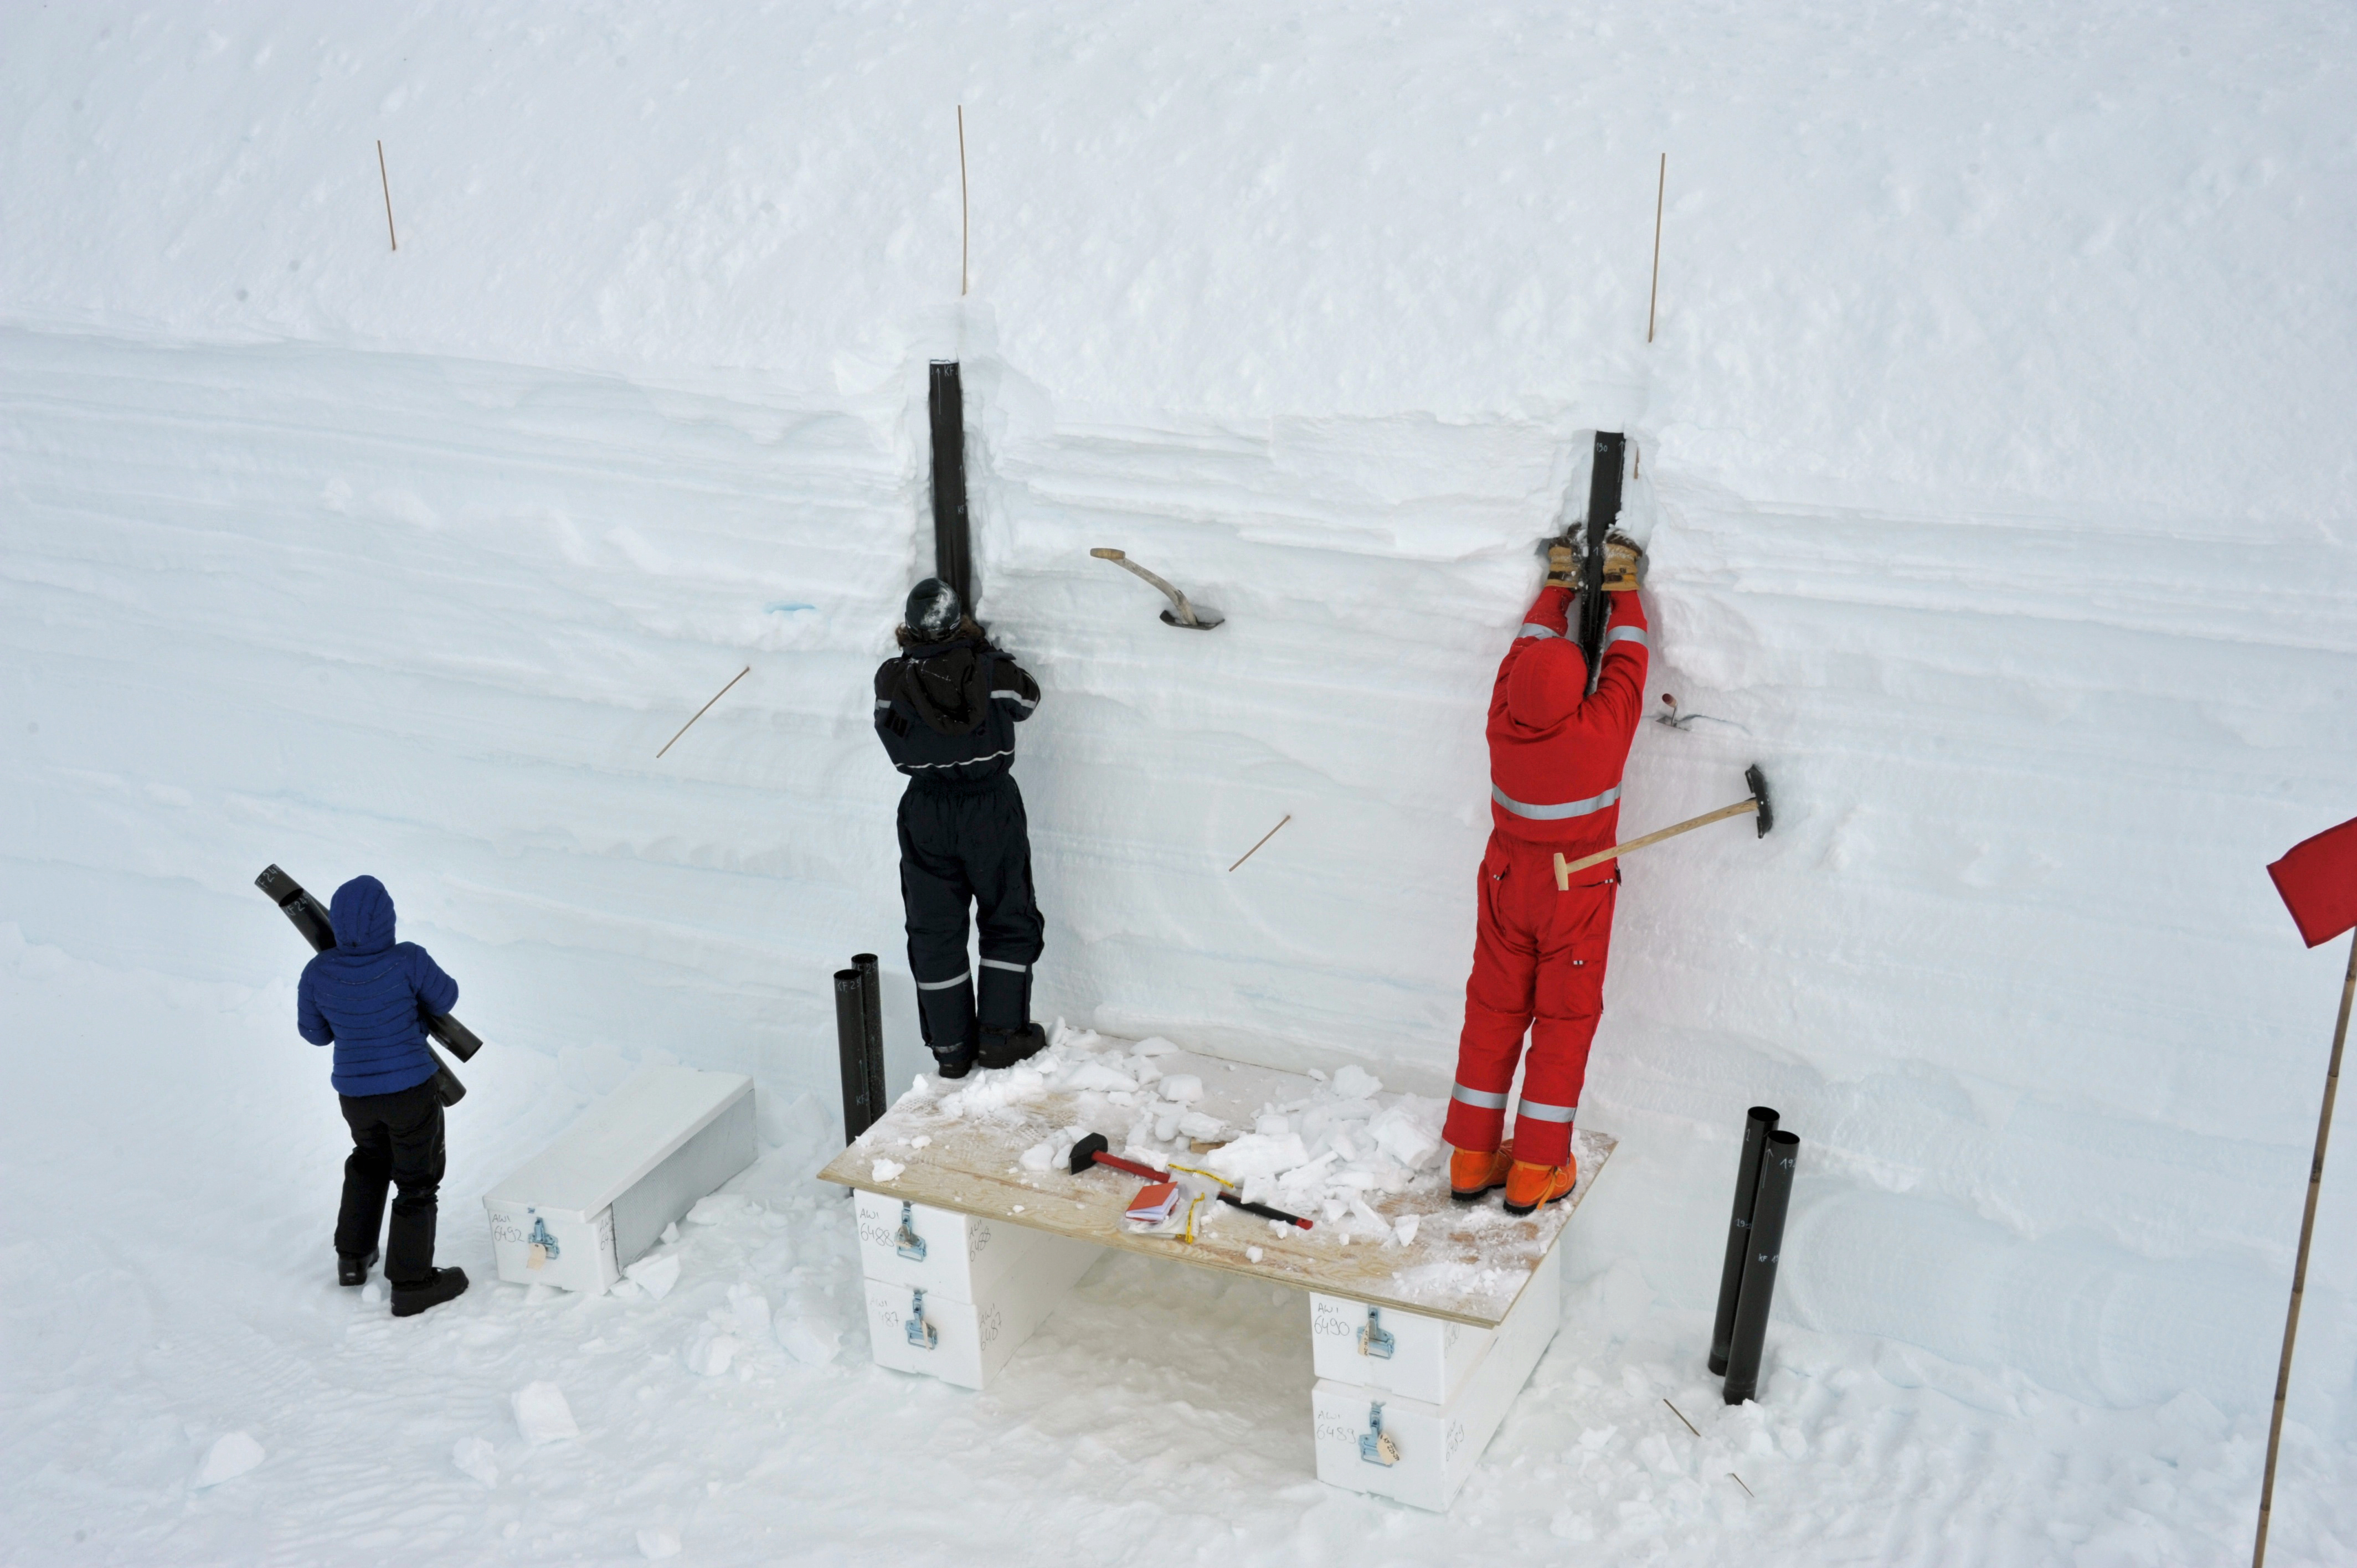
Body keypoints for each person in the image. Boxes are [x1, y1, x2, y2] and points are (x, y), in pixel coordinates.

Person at [1443, 536, 1648, 1215]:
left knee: (1493, 1014)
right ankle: (1534, 1169)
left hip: (1507, 885)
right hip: (1574, 891)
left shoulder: (1502, 724)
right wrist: (1621, 592)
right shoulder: (1600, 733)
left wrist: (1557, 588)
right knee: (1561, 1023)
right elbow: (1628, 662)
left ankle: (1472, 1157)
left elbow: (1518, 657)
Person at [873, 579, 1048, 1079]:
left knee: (935, 932)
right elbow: (1029, 700)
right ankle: (1000, 1037)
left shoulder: (891, 680)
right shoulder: (994, 673)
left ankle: (951, 1049)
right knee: (1008, 917)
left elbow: (888, 731)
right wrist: (985, 653)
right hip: (989, 806)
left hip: (925, 811)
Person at [297, 874, 470, 1316]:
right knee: (416, 1181)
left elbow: (314, 1035)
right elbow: (446, 997)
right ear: (387, 919)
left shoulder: (319, 971)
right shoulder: (407, 960)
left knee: (369, 1162)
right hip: (411, 1090)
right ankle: (412, 1283)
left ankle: (353, 1259)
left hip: (356, 1096)